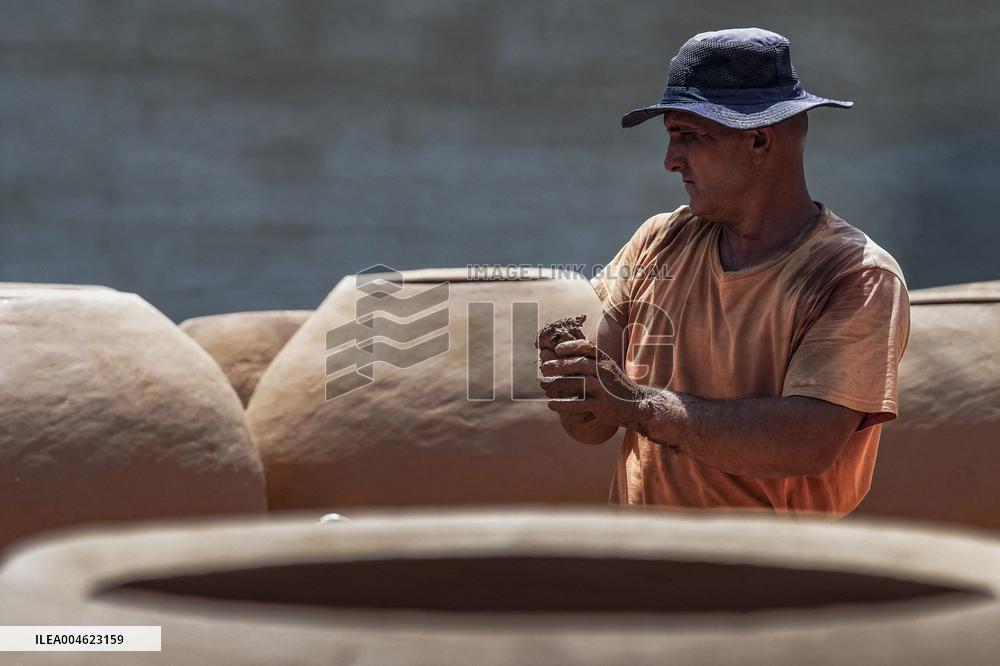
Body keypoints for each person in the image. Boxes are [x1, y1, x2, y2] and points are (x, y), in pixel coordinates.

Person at [538, 28, 910, 516]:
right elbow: (595, 426)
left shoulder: (854, 276)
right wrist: (575, 382)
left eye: (688, 137)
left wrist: (638, 405)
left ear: (759, 140)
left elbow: (807, 443)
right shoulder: (658, 240)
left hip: (770, 581)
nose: (671, 161)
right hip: (640, 571)